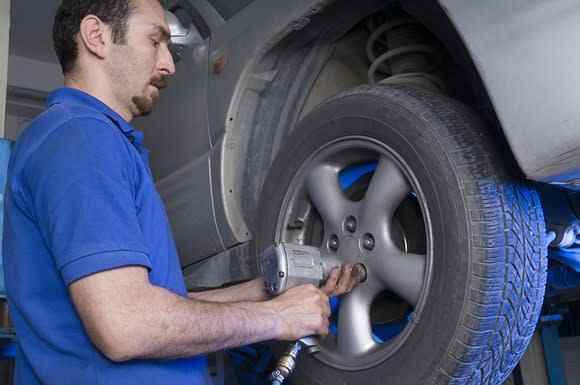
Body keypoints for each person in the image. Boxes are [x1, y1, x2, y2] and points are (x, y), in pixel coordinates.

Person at [2, 0, 362, 384]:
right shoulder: (80, 139)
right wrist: (277, 319)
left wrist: (264, 293)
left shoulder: (86, 139)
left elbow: (153, 306)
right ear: (97, 36)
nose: (169, 64)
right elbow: (126, 324)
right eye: (155, 41)